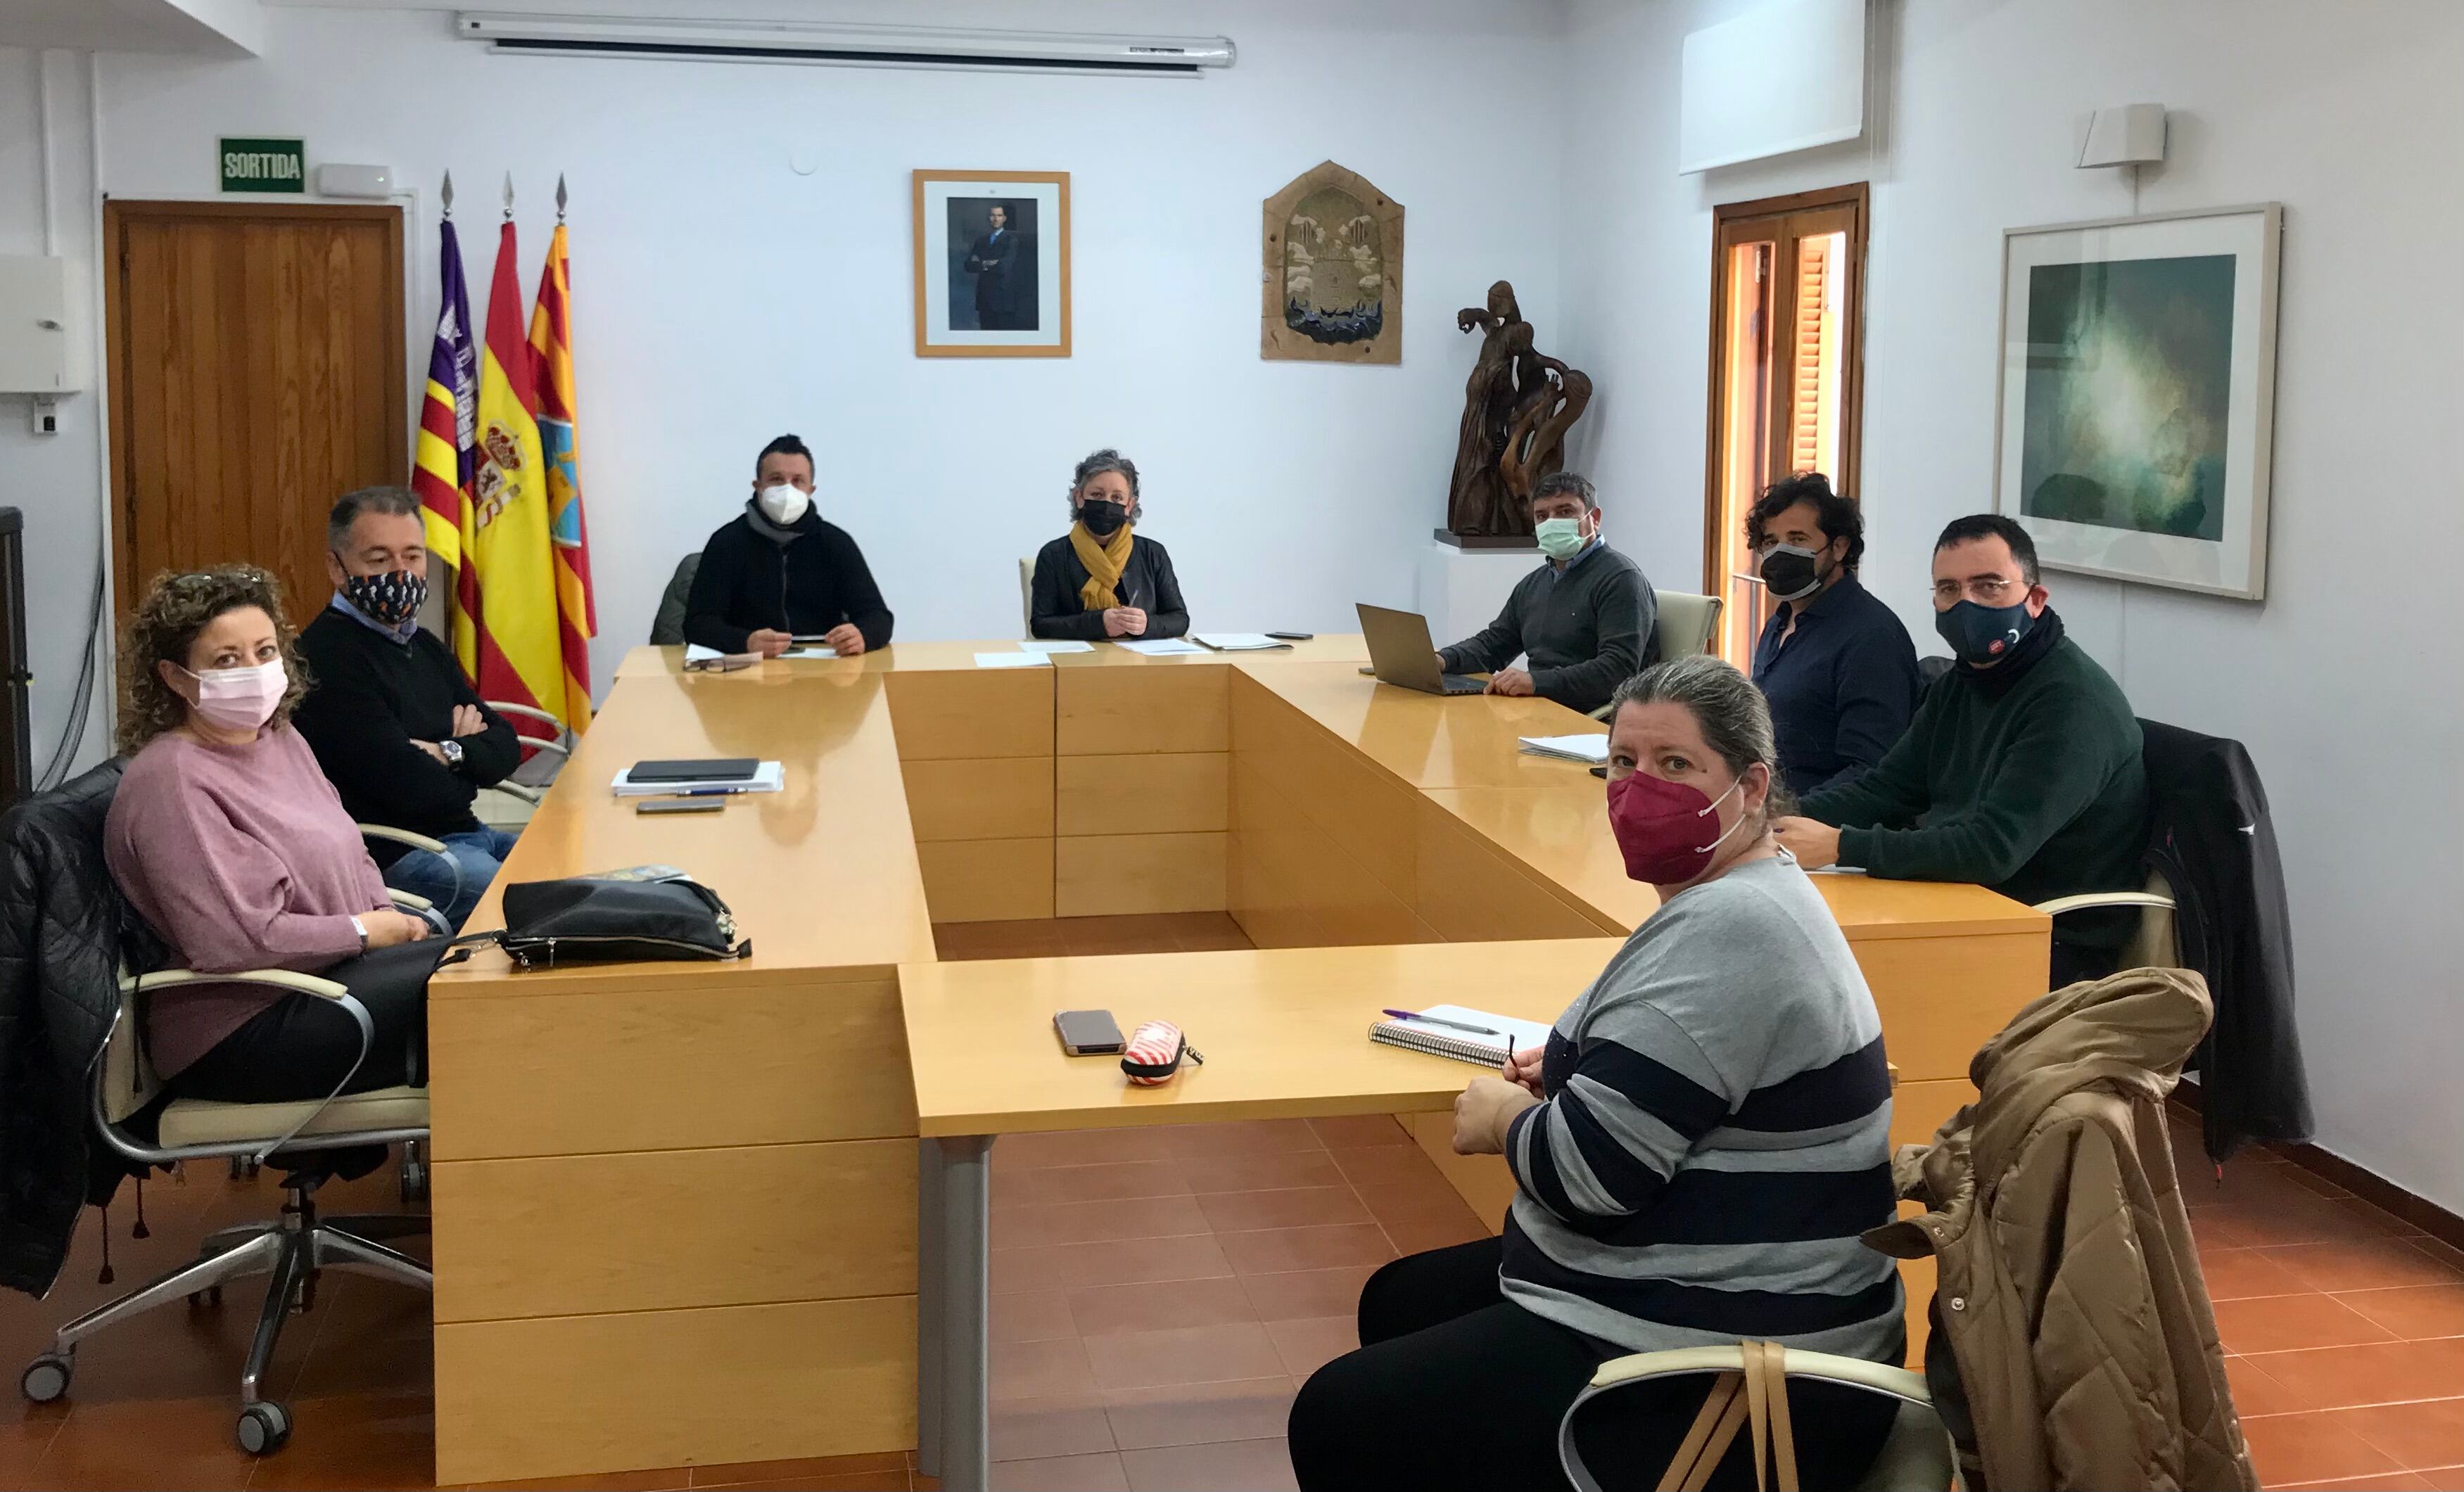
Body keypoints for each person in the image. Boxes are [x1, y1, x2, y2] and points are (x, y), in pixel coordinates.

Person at [1289, 656, 1901, 1491]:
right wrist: (1577, 1070)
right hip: (1712, 1289)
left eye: (1675, 765)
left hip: (1745, 1372)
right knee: (1400, 1299)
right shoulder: (1743, 895)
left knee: (1340, 1418)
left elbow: (1586, 1179)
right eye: (1622, 763)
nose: (1636, 789)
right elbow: (1676, 1069)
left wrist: (1504, 1120)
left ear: (1751, 788)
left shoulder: (1734, 933)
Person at [1774, 514, 2147, 989]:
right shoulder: (1966, 680)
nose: (1965, 603)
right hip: (1960, 904)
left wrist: (1839, 845)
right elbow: (1889, 788)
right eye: (1948, 589)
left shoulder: (2072, 704)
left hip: (2045, 939)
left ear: (2035, 599)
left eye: (1988, 585)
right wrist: (1773, 817)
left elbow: (1992, 848)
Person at [103, 566, 432, 1102]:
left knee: (493, 970)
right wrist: (366, 930)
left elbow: (349, 845)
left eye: (264, 650)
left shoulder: (279, 737)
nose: (254, 670)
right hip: (242, 1026)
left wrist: (389, 925)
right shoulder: (172, 780)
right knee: (477, 997)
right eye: (227, 660)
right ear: (175, 677)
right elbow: (235, 942)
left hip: (332, 978)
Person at [291, 486, 523, 931]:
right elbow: (415, 790)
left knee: (569, 876)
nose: (401, 573)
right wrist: (467, 760)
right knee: (523, 908)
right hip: (396, 855)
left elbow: (506, 744)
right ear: (335, 568)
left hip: (468, 836)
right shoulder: (325, 657)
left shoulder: (421, 643)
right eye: (379, 560)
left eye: (412, 556)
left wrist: (447, 753)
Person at [1745, 472, 1922, 796]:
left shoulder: (1872, 638)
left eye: (1798, 538)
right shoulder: (1780, 622)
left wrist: (1788, 820)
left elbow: (1872, 771)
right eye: (1771, 542)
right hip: (1764, 806)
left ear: (1839, 547)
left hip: (1814, 827)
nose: (1781, 552)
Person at [1436, 471, 1656, 715]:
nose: (1552, 522)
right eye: (1542, 516)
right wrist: (1443, 660)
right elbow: (1494, 644)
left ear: (1594, 518)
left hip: (1590, 720)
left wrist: (1536, 682)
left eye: (1565, 512)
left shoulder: (1621, 579)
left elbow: (1618, 670)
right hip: (1537, 707)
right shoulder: (1534, 583)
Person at [683, 433, 894, 659]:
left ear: (810, 490)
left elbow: (878, 617)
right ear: (758, 486)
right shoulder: (727, 542)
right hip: (747, 672)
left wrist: (862, 635)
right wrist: (745, 641)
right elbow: (697, 625)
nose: (787, 489)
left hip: (822, 675)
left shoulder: (835, 543)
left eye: (797, 481)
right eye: (776, 479)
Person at [1029, 449, 1190, 642]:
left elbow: (1179, 619)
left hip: (1141, 664)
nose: (1106, 504)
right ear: (1079, 497)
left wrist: (1147, 624)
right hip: (1077, 664)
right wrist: (1098, 624)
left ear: (1129, 505)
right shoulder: (1053, 555)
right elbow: (1041, 625)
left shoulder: (1153, 553)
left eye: (1117, 498)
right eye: (1097, 495)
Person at [962, 203, 1033, 331]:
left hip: (1003, 299)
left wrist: (981, 263)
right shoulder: (981, 241)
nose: (996, 219)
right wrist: (988, 263)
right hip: (984, 298)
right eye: (993, 216)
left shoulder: (1011, 240)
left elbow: (1004, 267)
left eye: (999, 216)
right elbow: (969, 266)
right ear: (989, 218)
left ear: (1004, 218)